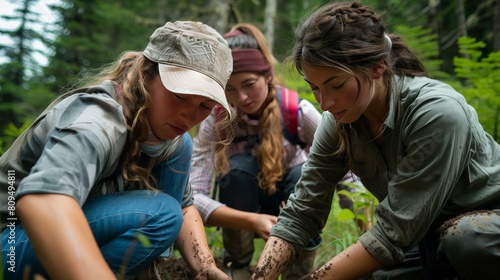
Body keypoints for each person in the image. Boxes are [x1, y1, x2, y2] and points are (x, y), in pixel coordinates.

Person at [250, 2, 500, 280]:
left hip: (486, 227)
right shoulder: (339, 121)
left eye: (337, 85)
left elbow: (393, 232)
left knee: (466, 240)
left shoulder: (437, 112)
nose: (325, 102)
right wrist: (261, 276)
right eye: (315, 88)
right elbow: (304, 208)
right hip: (426, 235)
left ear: (377, 67)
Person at [0, 21, 234, 280]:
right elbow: (42, 201)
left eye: (205, 106)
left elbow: (183, 207)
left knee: (171, 196)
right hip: (9, 242)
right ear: (146, 75)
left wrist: (205, 267)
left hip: (59, 237)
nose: (189, 116)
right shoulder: (96, 123)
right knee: (160, 214)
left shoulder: (169, 137)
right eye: (180, 96)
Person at [190, 23, 323, 279]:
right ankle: (237, 267)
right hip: (243, 207)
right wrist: (248, 220)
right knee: (234, 173)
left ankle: (298, 270)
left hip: (292, 202)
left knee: (307, 175)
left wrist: (360, 210)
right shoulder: (216, 120)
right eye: (230, 89)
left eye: (249, 84)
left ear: (267, 76)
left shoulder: (298, 111)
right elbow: (193, 193)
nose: (241, 98)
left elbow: (343, 170)